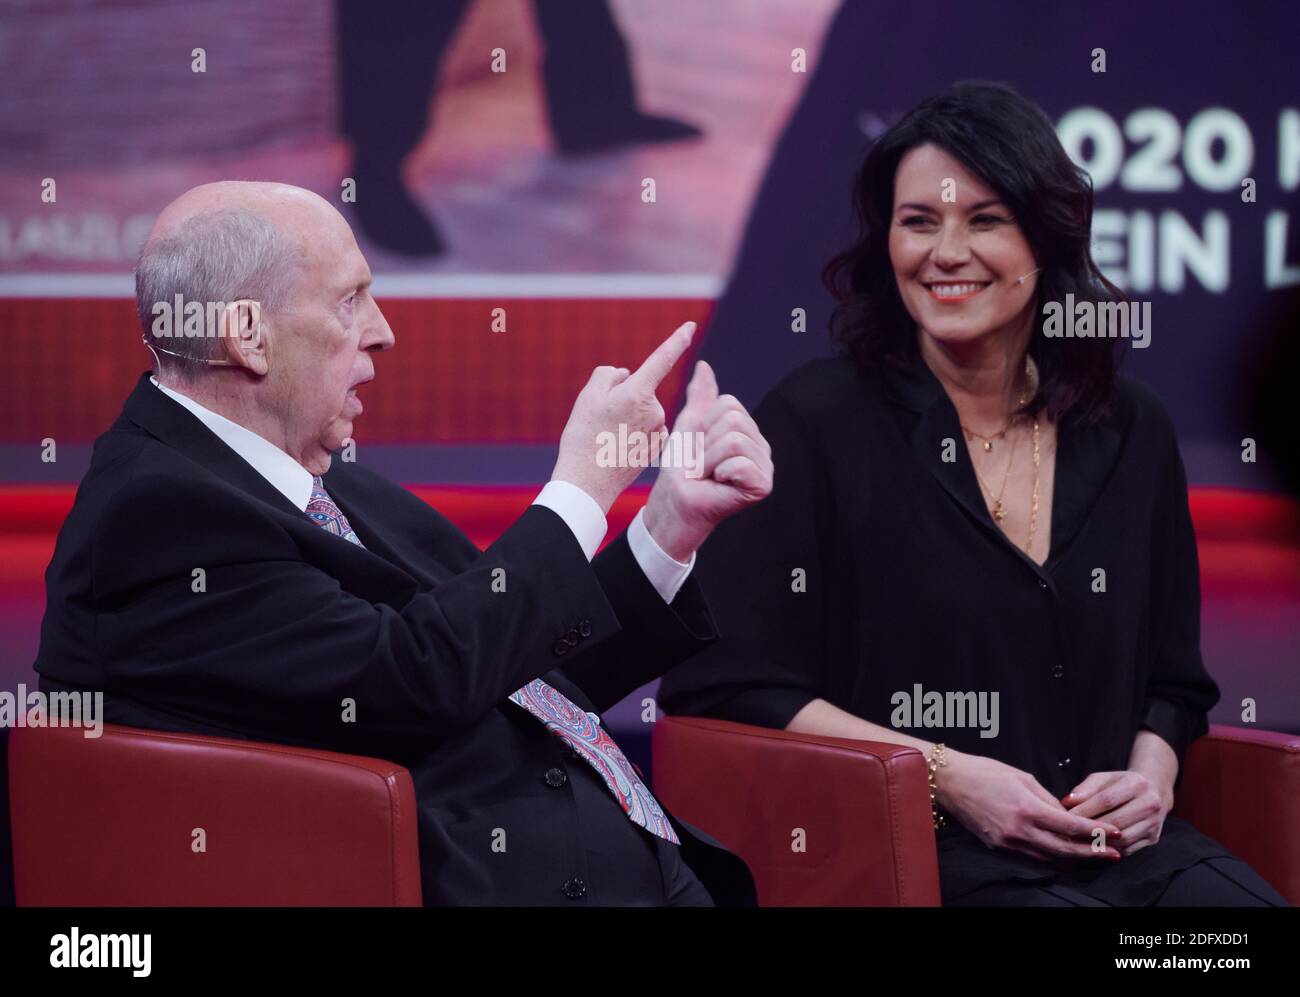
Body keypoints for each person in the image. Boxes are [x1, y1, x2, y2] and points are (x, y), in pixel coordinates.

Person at [34, 180, 773, 906]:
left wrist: (669, 525)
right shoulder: (159, 517)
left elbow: (509, 662)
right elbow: (414, 680)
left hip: (637, 859)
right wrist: (581, 486)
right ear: (248, 336)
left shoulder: (311, 468)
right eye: (349, 300)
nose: (384, 329)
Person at [658, 82, 1289, 906]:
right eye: (919, 221)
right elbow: (719, 679)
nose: (945, 252)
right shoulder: (815, 420)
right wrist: (945, 776)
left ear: (1045, 239)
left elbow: (1175, 686)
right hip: (927, 856)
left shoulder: (1132, 427)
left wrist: (1151, 780)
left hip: (1123, 854)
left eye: (984, 220)